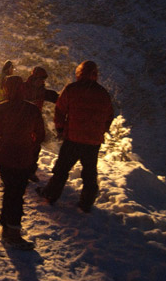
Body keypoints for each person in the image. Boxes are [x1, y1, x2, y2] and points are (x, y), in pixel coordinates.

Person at [36, 61, 114, 213]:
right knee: (90, 172)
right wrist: (100, 131)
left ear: (80, 73)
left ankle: (50, 194)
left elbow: (60, 109)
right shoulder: (102, 93)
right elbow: (109, 116)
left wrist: (60, 128)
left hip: (73, 138)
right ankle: (86, 203)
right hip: (93, 142)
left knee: (62, 168)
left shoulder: (72, 89)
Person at [0, 75, 45, 250]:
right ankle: (13, 232)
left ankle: (7, 225)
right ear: (23, 89)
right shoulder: (32, 110)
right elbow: (40, 135)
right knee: (17, 194)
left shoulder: (0, 109)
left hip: (5, 157)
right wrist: (32, 151)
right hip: (23, 157)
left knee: (10, 190)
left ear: (6, 90)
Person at [22, 66, 59, 182]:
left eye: (44, 79)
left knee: (35, 146)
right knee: (23, 146)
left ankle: (30, 171)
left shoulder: (41, 90)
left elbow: (54, 97)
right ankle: (21, 169)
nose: (43, 81)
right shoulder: (24, 87)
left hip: (35, 122)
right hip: (23, 121)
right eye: (41, 79)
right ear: (34, 77)